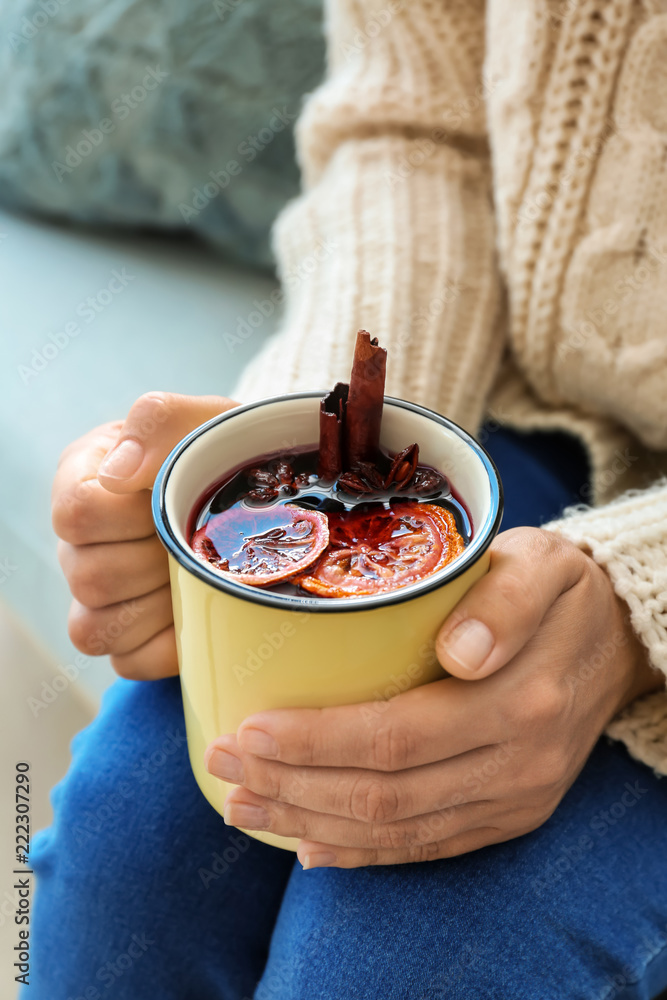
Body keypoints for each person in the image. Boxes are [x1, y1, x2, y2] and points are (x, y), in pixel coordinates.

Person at [26, 1, 667, 997]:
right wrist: (328, 454)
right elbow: (413, 127)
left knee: (400, 961)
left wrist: (637, 607)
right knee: (128, 846)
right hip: (507, 416)